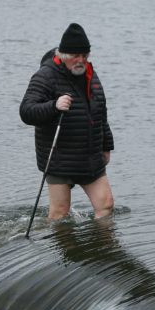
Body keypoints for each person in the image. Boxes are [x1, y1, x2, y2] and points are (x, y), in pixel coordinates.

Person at [20, 22, 115, 220]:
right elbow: (26, 112)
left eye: (84, 55)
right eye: (75, 56)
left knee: (105, 206)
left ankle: (103, 248)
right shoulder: (45, 76)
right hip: (59, 159)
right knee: (59, 213)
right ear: (63, 56)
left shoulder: (91, 75)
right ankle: (62, 248)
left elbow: (100, 114)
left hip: (90, 158)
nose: (81, 60)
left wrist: (106, 146)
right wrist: (54, 106)